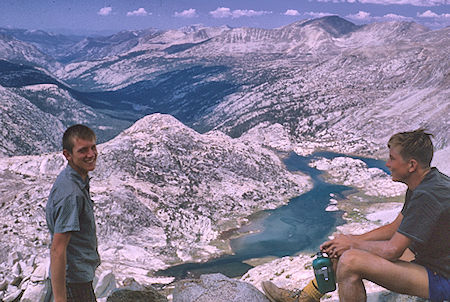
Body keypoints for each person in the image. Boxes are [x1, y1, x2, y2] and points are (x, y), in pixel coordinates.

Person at [262, 129, 450, 302]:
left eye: (392, 158)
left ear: (411, 165)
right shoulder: (424, 183)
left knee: (351, 262)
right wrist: (350, 240)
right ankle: (306, 297)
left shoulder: (427, 195)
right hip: (430, 259)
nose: (388, 164)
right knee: (344, 250)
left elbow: (392, 251)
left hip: (442, 277)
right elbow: (395, 227)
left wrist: (352, 245)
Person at [46, 124, 100, 302]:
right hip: (74, 284)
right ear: (67, 155)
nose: (91, 154)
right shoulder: (72, 194)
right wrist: (61, 299)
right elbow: (58, 249)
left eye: (93, 147)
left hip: (78, 277)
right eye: (83, 150)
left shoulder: (75, 178)